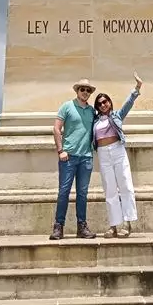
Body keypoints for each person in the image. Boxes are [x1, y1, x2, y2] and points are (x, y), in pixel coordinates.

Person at [92, 72, 143, 237]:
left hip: (117, 150)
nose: (103, 105)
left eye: (105, 101)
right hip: (103, 153)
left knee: (125, 185)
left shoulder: (117, 115)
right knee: (110, 190)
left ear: (109, 102)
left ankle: (127, 223)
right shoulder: (94, 121)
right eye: (99, 103)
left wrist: (137, 88)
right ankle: (113, 225)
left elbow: (129, 103)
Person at [52, 78, 100, 240]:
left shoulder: (92, 111)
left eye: (88, 90)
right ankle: (58, 226)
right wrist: (60, 150)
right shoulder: (67, 106)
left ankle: (82, 227)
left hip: (86, 158)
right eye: (82, 89)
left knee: (82, 194)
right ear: (77, 91)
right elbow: (56, 129)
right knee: (64, 192)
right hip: (68, 157)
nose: (85, 92)